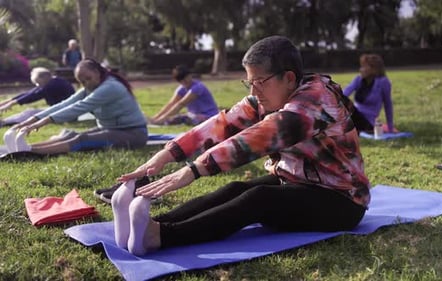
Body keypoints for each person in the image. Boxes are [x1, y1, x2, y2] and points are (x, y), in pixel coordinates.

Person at [111, 35, 370, 256]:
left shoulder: (314, 102)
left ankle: (160, 237)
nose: (254, 91)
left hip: (342, 202)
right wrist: (167, 154)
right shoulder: (269, 97)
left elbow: (258, 138)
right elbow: (222, 123)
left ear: (289, 78)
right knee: (236, 188)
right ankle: (151, 225)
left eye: (260, 81)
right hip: (297, 182)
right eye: (250, 82)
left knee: (258, 199)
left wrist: (194, 170)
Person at [4, 58, 148, 156]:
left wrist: (44, 122)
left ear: (97, 73)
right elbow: (66, 103)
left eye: (88, 78)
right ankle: (25, 148)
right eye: (82, 81)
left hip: (133, 134)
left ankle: (29, 152)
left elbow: (79, 107)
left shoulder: (110, 87)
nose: (85, 83)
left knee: (82, 140)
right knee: (71, 135)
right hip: (111, 129)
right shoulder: (91, 86)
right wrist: (32, 120)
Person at [0, 67, 75, 126]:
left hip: (65, 115)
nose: (37, 85)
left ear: (44, 77)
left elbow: (33, 96)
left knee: (30, 113)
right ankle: (5, 121)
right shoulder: (53, 81)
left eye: (38, 83)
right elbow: (29, 93)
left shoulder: (52, 85)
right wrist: (7, 102)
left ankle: (4, 122)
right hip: (62, 112)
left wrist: (12, 104)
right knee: (30, 112)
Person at [147, 65, 219, 126]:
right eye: (182, 80)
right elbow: (171, 104)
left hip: (209, 116)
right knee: (176, 118)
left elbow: (181, 104)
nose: (185, 81)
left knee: (182, 118)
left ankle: (159, 122)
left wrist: (161, 119)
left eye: (186, 77)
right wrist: (155, 118)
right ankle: (156, 122)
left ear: (190, 75)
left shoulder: (197, 87)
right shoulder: (182, 89)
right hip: (194, 115)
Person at [342, 54, 396, 133]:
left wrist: (390, 128)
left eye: (364, 67)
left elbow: (388, 105)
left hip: (367, 122)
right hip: (354, 116)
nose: (360, 69)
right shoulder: (358, 79)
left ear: (373, 69)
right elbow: (345, 93)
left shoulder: (383, 82)